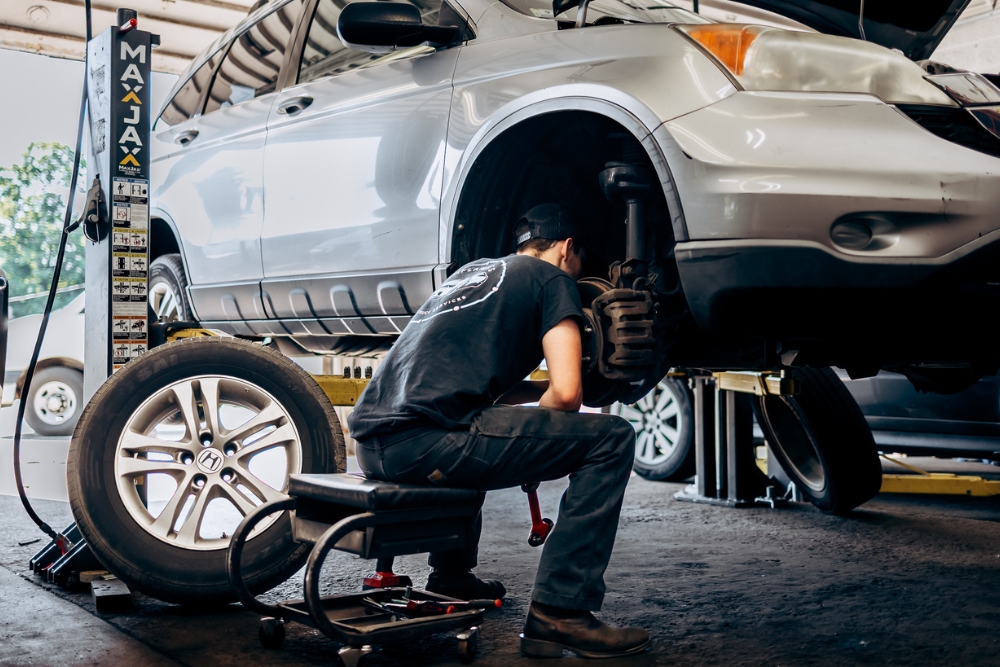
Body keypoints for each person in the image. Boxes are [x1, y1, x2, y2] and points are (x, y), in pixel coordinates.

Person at [348, 203, 650, 659]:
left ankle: (452, 578)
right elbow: (568, 394)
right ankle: (560, 613)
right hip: (425, 442)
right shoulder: (553, 279)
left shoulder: (475, 274)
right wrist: (543, 428)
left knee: (479, 424)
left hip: (376, 443)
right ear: (568, 248)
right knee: (611, 439)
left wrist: (530, 417)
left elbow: (476, 390)